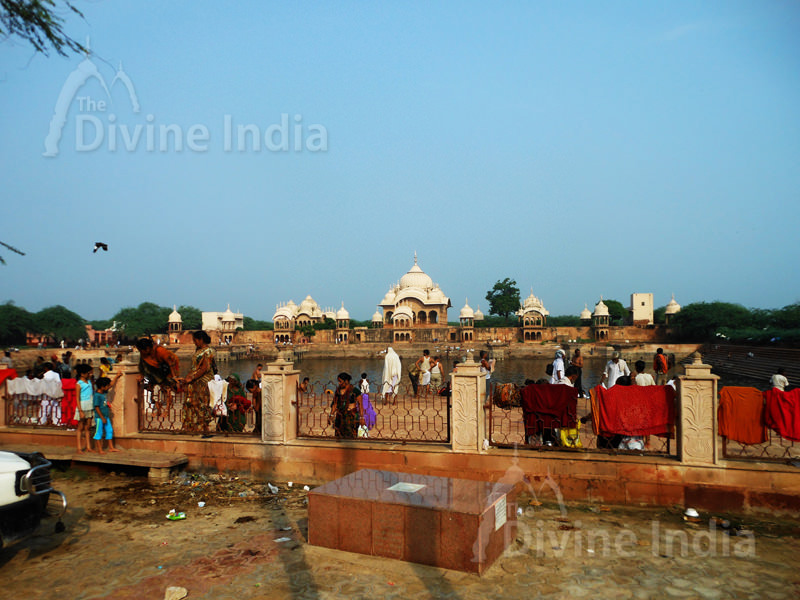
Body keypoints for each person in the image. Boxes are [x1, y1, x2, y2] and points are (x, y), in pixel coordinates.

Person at [180, 331, 215, 438]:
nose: (195, 343)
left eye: (195, 340)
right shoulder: (198, 350)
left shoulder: (208, 351)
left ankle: (205, 429)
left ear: (201, 339)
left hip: (203, 381)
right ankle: (192, 427)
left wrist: (193, 377)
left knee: (202, 404)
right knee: (192, 403)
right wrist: (187, 378)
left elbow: (205, 368)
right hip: (194, 381)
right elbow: (194, 367)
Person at [136, 337, 180, 417]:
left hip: (167, 370)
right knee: (155, 389)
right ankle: (158, 409)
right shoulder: (143, 354)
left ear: (148, 348)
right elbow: (143, 365)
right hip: (156, 374)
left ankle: (167, 410)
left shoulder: (160, 351)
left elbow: (171, 363)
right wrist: (141, 375)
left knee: (169, 390)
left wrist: (174, 377)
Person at [92, 373, 122, 453]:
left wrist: (116, 376)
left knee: (109, 430)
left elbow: (111, 385)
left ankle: (111, 447)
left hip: (106, 416)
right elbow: (96, 407)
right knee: (99, 432)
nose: (108, 387)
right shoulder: (97, 396)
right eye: (107, 386)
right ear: (102, 387)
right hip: (100, 417)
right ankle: (100, 449)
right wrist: (102, 417)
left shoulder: (103, 393)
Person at [328, 372, 363, 439]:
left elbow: (360, 404)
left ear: (346, 381)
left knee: (351, 436)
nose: (339, 383)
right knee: (339, 436)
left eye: (340, 381)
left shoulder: (354, 391)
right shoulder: (338, 391)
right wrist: (331, 415)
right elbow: (335, 404)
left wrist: (361, 417)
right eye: (338, 381)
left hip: (351, 417)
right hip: (340, 417)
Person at [74, 364, 94, 453]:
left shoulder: (89, 382)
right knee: (80, 427)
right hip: (83, 406)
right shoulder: (78, 384)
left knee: (87, 427)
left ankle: (88, 447)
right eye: (88, 373)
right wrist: (80, 410)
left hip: (89, 405)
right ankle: (79, 448)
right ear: (82, 374)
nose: (89, 374)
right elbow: (77, 398)